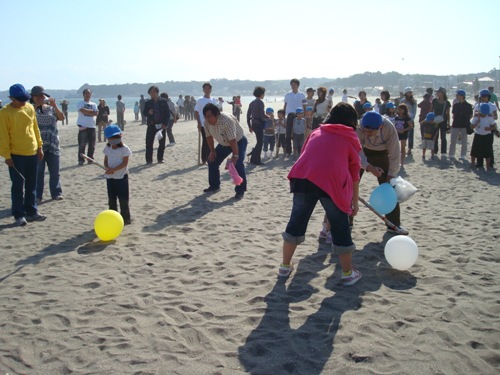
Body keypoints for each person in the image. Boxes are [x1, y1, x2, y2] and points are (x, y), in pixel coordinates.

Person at [278, 102, 362, 286]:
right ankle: (348, 273)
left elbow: (306, 154)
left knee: (296, 221)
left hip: (303, 177)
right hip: (330, 181)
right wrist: (353, 203)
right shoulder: (350, 137)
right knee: (340, 225)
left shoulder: (317, 131)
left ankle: (285, 266)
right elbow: (355, 173)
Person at [0, 83, 46, 226]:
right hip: (16, 154)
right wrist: (6, 155)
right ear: (11, 98)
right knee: (18, 186)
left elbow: (35, 127)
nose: (23, 102)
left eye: (25, 99)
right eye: (20, 99)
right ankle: (19, 215)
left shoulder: (30, 107)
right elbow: (3, 135)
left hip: (32, 151)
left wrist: (40, 146)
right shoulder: (4, 113)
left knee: (32, 184)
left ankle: (32, 211)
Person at [356, 111, 408, 234]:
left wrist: (391, 174)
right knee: (350, 185)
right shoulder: (359, 128)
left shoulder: (388, 128)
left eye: (370, 132)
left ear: (379, 127)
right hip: (363, 152)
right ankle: (348, 221)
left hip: (382, 154)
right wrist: (369, 167)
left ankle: (393, 224)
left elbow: (395, 153)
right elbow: (356, 152)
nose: (367, 134)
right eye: (365, 130)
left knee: (389, 188)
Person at [202, 103, 248, 199]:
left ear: (217, 114)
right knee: (212, 161)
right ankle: (214, 186)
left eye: (210, 116)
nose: (207, 119)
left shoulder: (226, 120)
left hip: (239, 141)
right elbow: (208, 137)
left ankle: (240, 190)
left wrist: (235, 156)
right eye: (205, 116)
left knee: (238, 164)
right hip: (224, 143)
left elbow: (233, 140)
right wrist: (212, 150)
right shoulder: (206, 122)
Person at [30, 86, 65, 203]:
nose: (41, 98)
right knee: (38, 172)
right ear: (33, 97)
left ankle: (56, 193)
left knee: (55, 171)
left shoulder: (51, 108)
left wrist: (54, 105)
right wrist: (36, 106)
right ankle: (37, 195)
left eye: (42, 96)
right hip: (38, 145)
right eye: (38, 96)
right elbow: (27, 120)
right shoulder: (30, 109)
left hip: (53, 143)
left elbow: (61, 117)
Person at [103, 125, 132, 224]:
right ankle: (113, 219)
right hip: (110, 177)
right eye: (111, 138)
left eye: (116, 137)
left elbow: (125, 163)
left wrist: (114, 169)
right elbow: (106, 160)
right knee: (111, 199)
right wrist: (107, 168)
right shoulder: (107, 148)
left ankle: (126, 219)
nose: (114, 140)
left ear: (120, 136)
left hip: (121, 177)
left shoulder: (124, 149)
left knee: (123, 200)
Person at [143, 85, 171, 164]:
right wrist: (148, 112)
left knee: (162, 143)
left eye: (154, 91)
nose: (153, 93)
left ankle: (160, 158)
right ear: (149, 93)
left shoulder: (163, 101)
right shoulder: (148, 102)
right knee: (149, 143)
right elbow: (144, 113)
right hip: (151, 125)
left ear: (157, 92)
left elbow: (167, 114)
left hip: (161, 125)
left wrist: (165, 124)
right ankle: (149, 160)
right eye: (151, 92)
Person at [195, 82, 218, 165]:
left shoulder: (214, 100)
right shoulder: (200, 100)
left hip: (213, 124)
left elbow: (217, 112)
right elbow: (196, 112)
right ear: (203, 90)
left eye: (208, 88)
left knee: (211, 140)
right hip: (203, 124)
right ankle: (204, 159)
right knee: (205, 141)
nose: (207, 90)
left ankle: (210, 157)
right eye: (205, 89)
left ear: (211, 89)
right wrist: (198, 123)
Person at [474, 89, 498, 168]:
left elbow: (496, 116)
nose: (483, 98)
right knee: (479, 145)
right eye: (482, 97)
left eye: (485, 97)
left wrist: (489, 115)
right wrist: (480, 113)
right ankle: (479, 163)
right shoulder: (478, 105)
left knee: (488, 146)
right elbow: (475, 114)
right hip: (480, 128)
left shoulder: (492, 105)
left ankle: (490, 163)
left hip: (489, 127)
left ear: (488, 97)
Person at [247, 86, 270, 165]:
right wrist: (268, 117)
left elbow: (248, 115)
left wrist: (249, 126)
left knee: (259, 141)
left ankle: (254, 156)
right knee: (260, 142)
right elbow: (261, 115)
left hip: (253, 123)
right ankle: (256, 159)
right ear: (261, 94)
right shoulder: (260, 102)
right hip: (259, 123)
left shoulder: (252, 103)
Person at [283, 79, 306, 156]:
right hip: (290, 115)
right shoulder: (287, 95)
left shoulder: (302, 95)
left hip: (299, 114)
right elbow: (285, 106)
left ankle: (299, 150)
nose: (293, 86)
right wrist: (284, 116)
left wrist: (304, 115)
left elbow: (305, 106)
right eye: (292, 84)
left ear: (297, 85)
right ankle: (288, 151)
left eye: (294, 84)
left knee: (299, 133)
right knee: (288, 133)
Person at [470, 103, 496, 171]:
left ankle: (488, 166)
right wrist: (476, 123)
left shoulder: (489, 117)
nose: (484, 114)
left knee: (487, 152)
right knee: (474, 151)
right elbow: (471, 127)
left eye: (485, 113)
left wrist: (489, 129)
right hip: (478, 135)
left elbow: (494, 126)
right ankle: (472, 163)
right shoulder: (476, 116)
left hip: (487, 136)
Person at [449, 90, 473, 161]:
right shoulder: (455, 105)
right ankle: (451, 154)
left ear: (462, 96)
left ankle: (463, 155)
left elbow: (471, 115)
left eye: (458, 95)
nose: (456, 96)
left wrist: (466, 120)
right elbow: (453, 115)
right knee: (453, 141)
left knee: (464, 142)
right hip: (455, 124)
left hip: (464, 125)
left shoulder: (468, 106)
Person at [76, 88, 98, 166]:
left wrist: (89, 111)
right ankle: (81, 160)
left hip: (92, 126)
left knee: (92, 145)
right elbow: (83, 111)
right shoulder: (80, 103)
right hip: (83, 126)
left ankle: (90, 158)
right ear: (83, 94)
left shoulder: (94, 104)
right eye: (86, 93)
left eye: (89, 93)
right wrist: (91, 112)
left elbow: (96, 113)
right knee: (82, 144)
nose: (88, 95)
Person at [432, 87, 451, 156]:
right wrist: (430, 119)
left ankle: (443, 152)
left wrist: (449, 123)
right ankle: (435, 151)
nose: (437, 93)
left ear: (443, 93)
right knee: (435, 136)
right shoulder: (434, 101)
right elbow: (431, 111)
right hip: (435, 121)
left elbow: (448, 113)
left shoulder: (447, 102)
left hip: (443, 121)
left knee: (443, 137)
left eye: (438, 92)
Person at [400, 87, 417, 155]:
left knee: (410, 135)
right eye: (409, 92)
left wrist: (411, 120)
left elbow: (414, 111)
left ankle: (410, 149)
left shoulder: (413, 101)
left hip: (410, 119)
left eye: (410, 92)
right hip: (403, 118)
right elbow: (400, 109)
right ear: (406, 93)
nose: (410, 93)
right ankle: (402, 147)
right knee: (403, 134)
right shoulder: (402, 100)